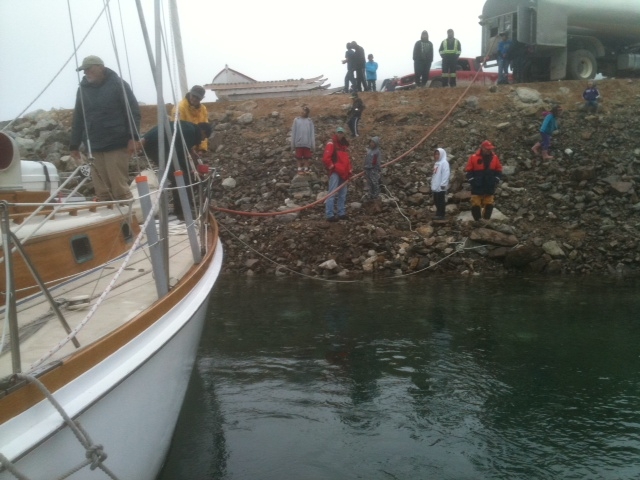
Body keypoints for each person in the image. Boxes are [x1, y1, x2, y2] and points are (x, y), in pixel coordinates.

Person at [70, 55, 141, 201]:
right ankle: (106, 208)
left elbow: (133, 112)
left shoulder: (118, 84)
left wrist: (133, 137)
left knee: (118, 185)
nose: (86, 72)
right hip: (94, 145)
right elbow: (78, 117)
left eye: (88, 69)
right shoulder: (82, 90)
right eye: (84, 70)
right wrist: (74, 145)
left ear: (100, 67)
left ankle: (125, 210)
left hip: (116, 142)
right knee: (101, 189)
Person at [135, 121, 212, 219]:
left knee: (179, 177)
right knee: (182, 178)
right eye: (204, 137)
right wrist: (189, 169)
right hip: (157, 147)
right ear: (203, 131)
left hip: (155, 145)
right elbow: (181, 152)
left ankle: (180, 210)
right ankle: (183, 212)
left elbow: (180, 148)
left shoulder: (188, 127)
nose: (202, 140)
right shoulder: (191, 132)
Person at [465, 140, 503, 221]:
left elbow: (499, 170)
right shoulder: (473, 157)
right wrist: (472, 181)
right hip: (477, 184)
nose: (489, 150)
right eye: (487, 148)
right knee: (475, 202)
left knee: (489, 202)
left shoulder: (494, 157)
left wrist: (496, 179)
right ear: (482, 148)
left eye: (490, 148)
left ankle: (486, 220)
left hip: (490, 183)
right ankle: (477, 220)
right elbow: (469, 171)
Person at [322, 127, 352, 222]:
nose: (340, 134)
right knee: (332, 193)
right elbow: (326, 158)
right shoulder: (331, 143)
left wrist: (349, 171)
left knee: (342, 194)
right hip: (335, 172)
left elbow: (347, 160)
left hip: (344, 173)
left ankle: (341, 213)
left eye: (341, 133)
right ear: (336, 133)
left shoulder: (344, 146)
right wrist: (332, 167)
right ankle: (329, 214)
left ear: (343, 134)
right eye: (339, 132)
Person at [171, 85, 209, 153]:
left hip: (195, 149)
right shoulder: (180, 108)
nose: (194, 99)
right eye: (193, 96)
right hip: (182, 149)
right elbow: (178, 132)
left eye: (198, 98)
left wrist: (202, 149)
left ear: (201, 98)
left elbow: (204, 131)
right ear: (190, 93)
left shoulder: (203, 109)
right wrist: (189, 150)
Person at [291, 106, 316, 175]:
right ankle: (299, 169)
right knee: (298, 157)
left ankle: (306, 168)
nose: (302, 112)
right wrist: (292, 144)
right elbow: (293, 132)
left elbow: (312, 133)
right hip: (298, 143)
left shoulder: (309, 121)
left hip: (307, 143)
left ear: (307, 113)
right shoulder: (296, 120)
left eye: (304, 111)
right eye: (302, 110)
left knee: (306, 157)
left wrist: (313, 145)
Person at [431, 148, 450, 220]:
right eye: (435, 154)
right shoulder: (437, 163)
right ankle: (438, 213)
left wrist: (443, 184)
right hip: (436, 185)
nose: (436, 156)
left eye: (438, 154)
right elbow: (435, 175)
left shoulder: (444, 163)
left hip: (441, 186)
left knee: (440, 200)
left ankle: (441, 214)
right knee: (436, 200)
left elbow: (446, 174)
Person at [363, 136, 382, 201]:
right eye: (371, 142)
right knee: (370, 183)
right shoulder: (369, 151)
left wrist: (377, 169)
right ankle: (371, 195)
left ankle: (375, 196)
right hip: (367, 169)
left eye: (373, 142)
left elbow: (377, 162)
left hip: (373, 170)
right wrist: (365, 167)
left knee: (374, 182)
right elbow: (366, 159)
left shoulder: (377, 152)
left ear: (376, 143)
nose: (371, 143)